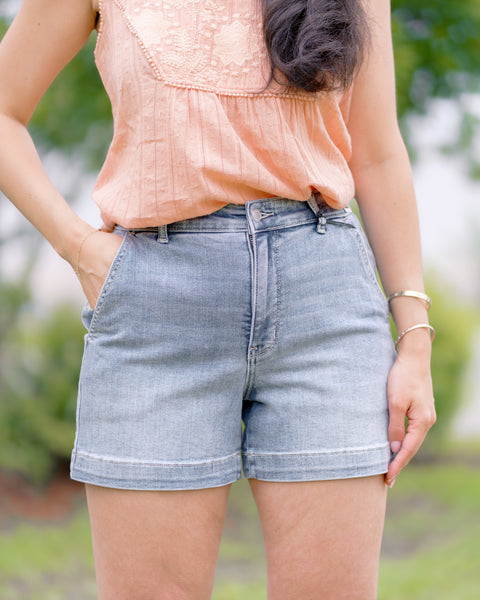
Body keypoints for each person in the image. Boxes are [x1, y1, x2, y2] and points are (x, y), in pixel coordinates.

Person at [0, 0, 435, 598]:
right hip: (157, 308)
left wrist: (415, 338)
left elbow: (377, 153)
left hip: (325, 311)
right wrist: (80, 249)